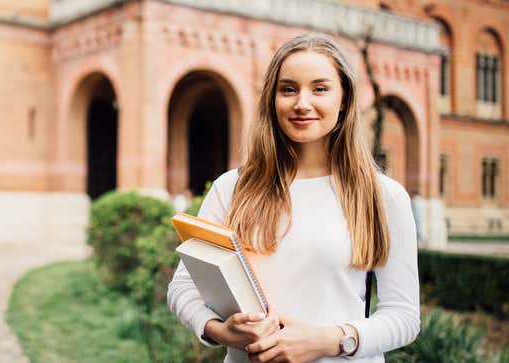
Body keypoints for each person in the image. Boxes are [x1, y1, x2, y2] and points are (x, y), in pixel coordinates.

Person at [167, 33, 420, 363]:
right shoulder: (232, 187)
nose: (302, 103)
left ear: (343, 98)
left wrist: (330, 341)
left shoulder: (382, 195)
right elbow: (182, 286)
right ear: (272, 99)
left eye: (319, 88)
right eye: (288, 89)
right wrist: (219, 330)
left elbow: (404, 317)